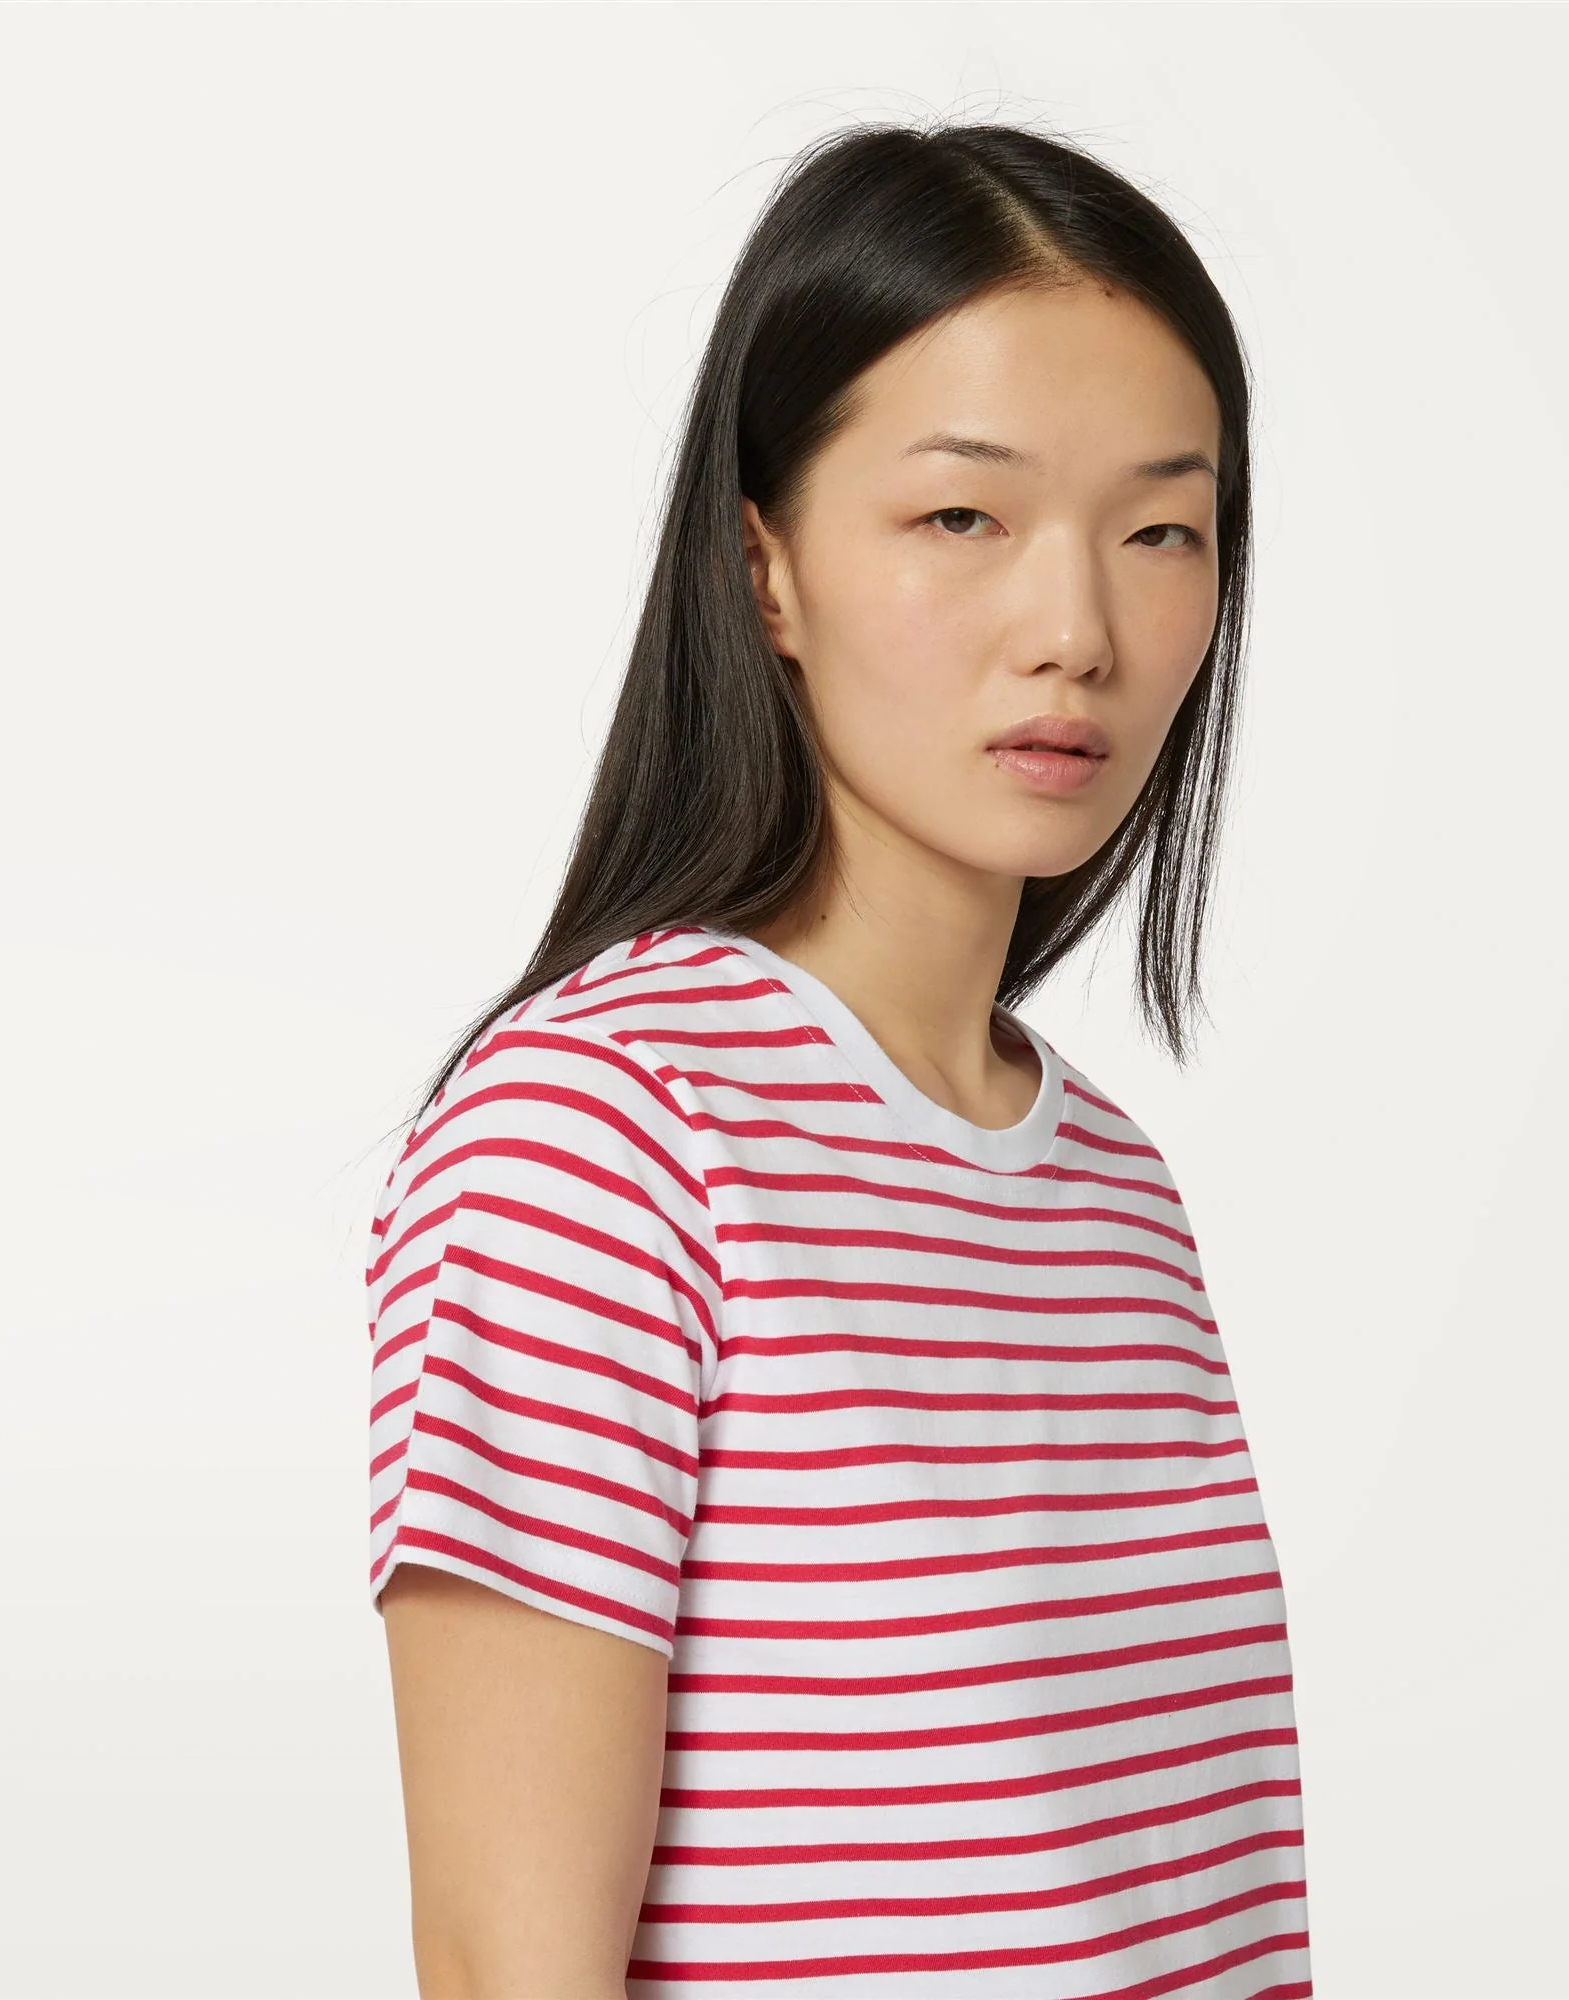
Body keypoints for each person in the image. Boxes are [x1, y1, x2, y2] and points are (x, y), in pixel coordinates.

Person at [367, 118, 1312, 1999]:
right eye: (964, 518)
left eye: (1161, 531)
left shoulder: (1112, 1190)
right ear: (765, 568)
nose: (1077, 630)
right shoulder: (598, 1138)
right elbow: (504, 1967)